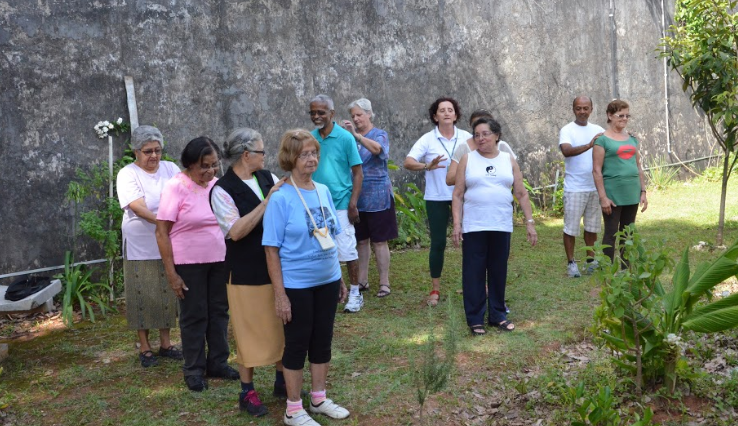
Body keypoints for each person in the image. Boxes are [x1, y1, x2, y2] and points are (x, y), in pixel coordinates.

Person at [263, 129, 350, 426]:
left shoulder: (323, 190)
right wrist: (280, 294)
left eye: (314, 153)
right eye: (304, 154)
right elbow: (271, 250)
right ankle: (293, 408)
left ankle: (318, 398)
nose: (311, 159)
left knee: (322, 340)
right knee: (297, 343)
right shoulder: (281, 198)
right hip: (297, 285)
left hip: (327, 279)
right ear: (290, 158)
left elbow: (331, 237)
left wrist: (338, 278)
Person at [210, 128, 287, 416]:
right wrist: (267, 202)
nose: (265, 157)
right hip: (245, 272)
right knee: (248, 333)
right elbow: (236, 231)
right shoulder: (222, 190)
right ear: (246, 155)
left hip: (277, 267)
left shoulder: (266, 178)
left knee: (282, 326)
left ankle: (282, 381)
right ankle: (247, 391)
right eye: (261, 151)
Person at [155, 136, 238, 392]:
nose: (210, 171)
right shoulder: (175, 186)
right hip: (188, 264)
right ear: (190, 164)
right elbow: (161, 232)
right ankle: (193, 369)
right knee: (194, 316)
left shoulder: (218, 186)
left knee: (219, 313)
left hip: (220, 261)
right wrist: (171, 274)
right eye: (204, 166)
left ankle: (218, 362)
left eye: (214, 165)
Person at [451, 117, 537, 336]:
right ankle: (475, 318)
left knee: (498, 270)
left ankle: (497, 314)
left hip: (501, 224)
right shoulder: (467, 159)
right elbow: (458, 194)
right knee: (474, 272)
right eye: (477, 135)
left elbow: (521, 193)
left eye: (485, 134)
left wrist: (530, 223)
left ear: (497, 135)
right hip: (474, 225)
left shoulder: (508, 159)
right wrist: (457, 224)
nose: (481, 139)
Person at [116, 125, 183, 368]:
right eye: (147, 151)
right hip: (140, 244)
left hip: (167, 241)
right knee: (142, 293)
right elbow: (137, 206)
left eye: (157, 150)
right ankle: (145, 347)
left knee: (167, 291)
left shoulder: (170, 168)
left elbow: (182, 194)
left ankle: (166, 344)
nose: (154, 156)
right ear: (136, 152)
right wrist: (164, 221)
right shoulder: (127, 174)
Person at [404, 97, 472, 306]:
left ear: (456, 114)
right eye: (441, 110)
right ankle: (435, 289)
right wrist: (426, 166)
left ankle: (473, 285)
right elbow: (408, 162)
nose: (446, 113)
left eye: (450, 109)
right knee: (439, 243)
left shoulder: (467, 137)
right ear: (435, 116)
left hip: (464, 196)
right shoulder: (428, 139)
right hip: (437, 198)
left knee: (471, 242)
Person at [308, 94, 365, 313]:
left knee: (347, 249)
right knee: (323, 248)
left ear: (332, 114)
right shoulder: (309, 138)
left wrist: (353, 204)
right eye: (313, 112)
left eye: (321, 112)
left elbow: (358, 173)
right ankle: (331, 292)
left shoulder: (345, 138)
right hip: (316, 204)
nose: (316, 116)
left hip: (341, 203)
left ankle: (355, 293)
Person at [342, 98, 398, 298]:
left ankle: (384, 282)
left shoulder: (379, 134)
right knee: (361, 240)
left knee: (380, 241)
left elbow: (378, 150)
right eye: (353, 116)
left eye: (359, 115)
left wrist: (356, 136)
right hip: (357, 196)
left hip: (378, 196)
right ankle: (362, 280)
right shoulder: (349, 138)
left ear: (369, 114)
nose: (356, 119)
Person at [593, 99, 648, 263]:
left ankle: (626, 271)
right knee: (611, 233)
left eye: (627, 115)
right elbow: (596, 170)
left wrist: (643, 191)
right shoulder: (601, 140)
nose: (624, 119)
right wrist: (603, 197)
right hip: (613, 194)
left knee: (628, 233)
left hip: (631, 192)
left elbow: (638, 166)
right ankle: (607, 271)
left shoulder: (632, 139)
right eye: (620, 115)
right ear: (610, 115)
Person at [559, 96, 605, 277]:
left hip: (594, 187)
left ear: (592, 109)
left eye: (586, 108)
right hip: (575, 188)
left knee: (592, 227)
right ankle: (571, 263)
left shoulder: (599, 130)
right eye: (579, 108)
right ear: (573, 110)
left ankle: (590, 261)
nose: (582, 112)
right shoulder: (567, 130)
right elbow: (566, 151)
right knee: (571, 228)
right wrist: (589, 145)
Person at [445, 109, 517, 186]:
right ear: (471, 126)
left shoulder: (502, 146)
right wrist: (471, 172)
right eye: (476, 125)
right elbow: (449, 180)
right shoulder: (463, 148)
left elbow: (516, 175)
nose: (481, 128)